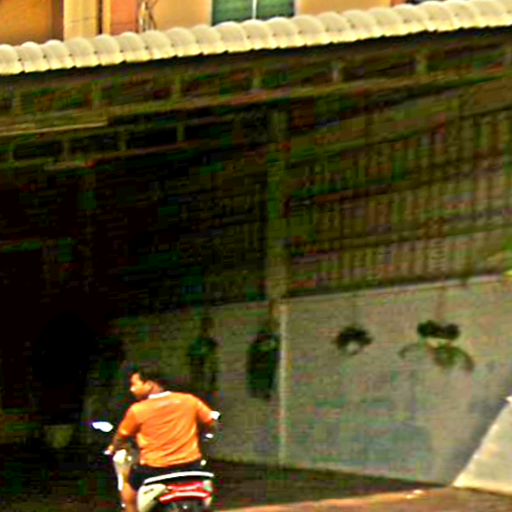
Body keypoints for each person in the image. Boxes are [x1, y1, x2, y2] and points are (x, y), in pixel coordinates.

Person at [106, 362, 220, 512]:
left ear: (149, 384)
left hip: (154, 469)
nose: (131, 389)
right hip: (191, 466)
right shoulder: (189, 400)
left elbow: (122, 436)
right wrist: (203, 434)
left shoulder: (138, 410)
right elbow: (211, 423)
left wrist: (113, 447)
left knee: (127, 482)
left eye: (134, 384)